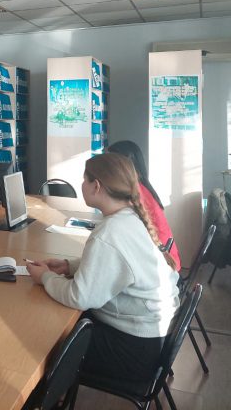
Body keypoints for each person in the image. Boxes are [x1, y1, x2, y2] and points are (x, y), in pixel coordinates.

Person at [27, 153, 179, 383]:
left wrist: (45, 277)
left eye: (84, 180)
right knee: (61, 320)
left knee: (45, 341)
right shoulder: (129, 217)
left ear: (96, 186)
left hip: (133, 352)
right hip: (152, 339)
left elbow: (79, 297)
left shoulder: (109, 233)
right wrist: (69, 266)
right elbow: (117, 265)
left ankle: (43, 395)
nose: (82, 184)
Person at [107, 139, 181, 269]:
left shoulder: (136, 191)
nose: (108, 167)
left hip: (163, 263)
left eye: (112, 162)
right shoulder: (139, 185)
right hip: (162, 256)